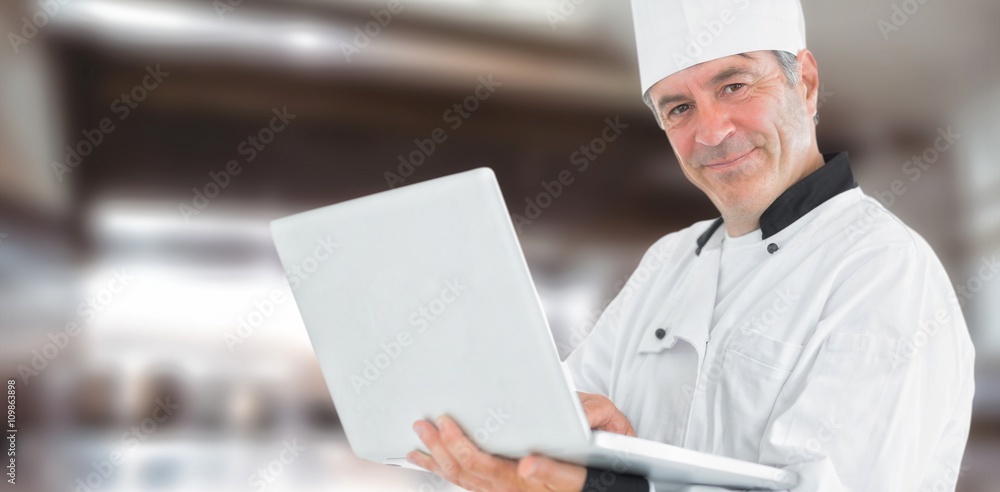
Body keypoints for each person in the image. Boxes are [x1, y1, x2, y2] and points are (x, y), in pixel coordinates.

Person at [405, 0, 976, 490]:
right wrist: (557, 448)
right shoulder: (669, 262)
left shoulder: (883, 270)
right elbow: (545, 425)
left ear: (804, 83)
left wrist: (608, 485)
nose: (711, 132)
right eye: (679, 107)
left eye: (734, 85)